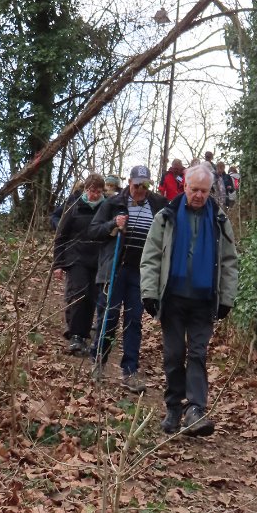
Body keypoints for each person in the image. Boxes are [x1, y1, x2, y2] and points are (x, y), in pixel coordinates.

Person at [140, 162, 238, 437]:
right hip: (173, 297)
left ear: (210, 191)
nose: (198, 195)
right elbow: (151, 256)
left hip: (204, 299)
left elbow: (229, 261)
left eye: (204, 191)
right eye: (194, 189)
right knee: (173, 355)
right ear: (185, 187)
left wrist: (226, 298)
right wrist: (149, 293)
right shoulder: (166, 216)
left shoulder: (219, 220)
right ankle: (173, 407)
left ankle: (195, 410)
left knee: (197, 354)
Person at [87, 165, 167, 392]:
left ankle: (130, 371)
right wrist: (113, 224)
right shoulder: (113, 203)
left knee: (134, 321)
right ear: (129, 182)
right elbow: (93, 231)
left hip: (142, 271)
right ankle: (98, 360)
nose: (141, 189)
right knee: (109, 317)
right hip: (115, 268)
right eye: (137, 184)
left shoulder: (158, 204)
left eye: (145, 184)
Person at [50, 173, 105, 356]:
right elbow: (61, 237)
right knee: (79, 294)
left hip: (97, 259)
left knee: (91, 297)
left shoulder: (106, 208)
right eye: (91, 191)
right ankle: (75, 335)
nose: (94, 195)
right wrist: (58, 264)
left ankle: (83, 334)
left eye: (98, 191)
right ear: (85, 189)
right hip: (76, 257)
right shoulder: (73, 207)